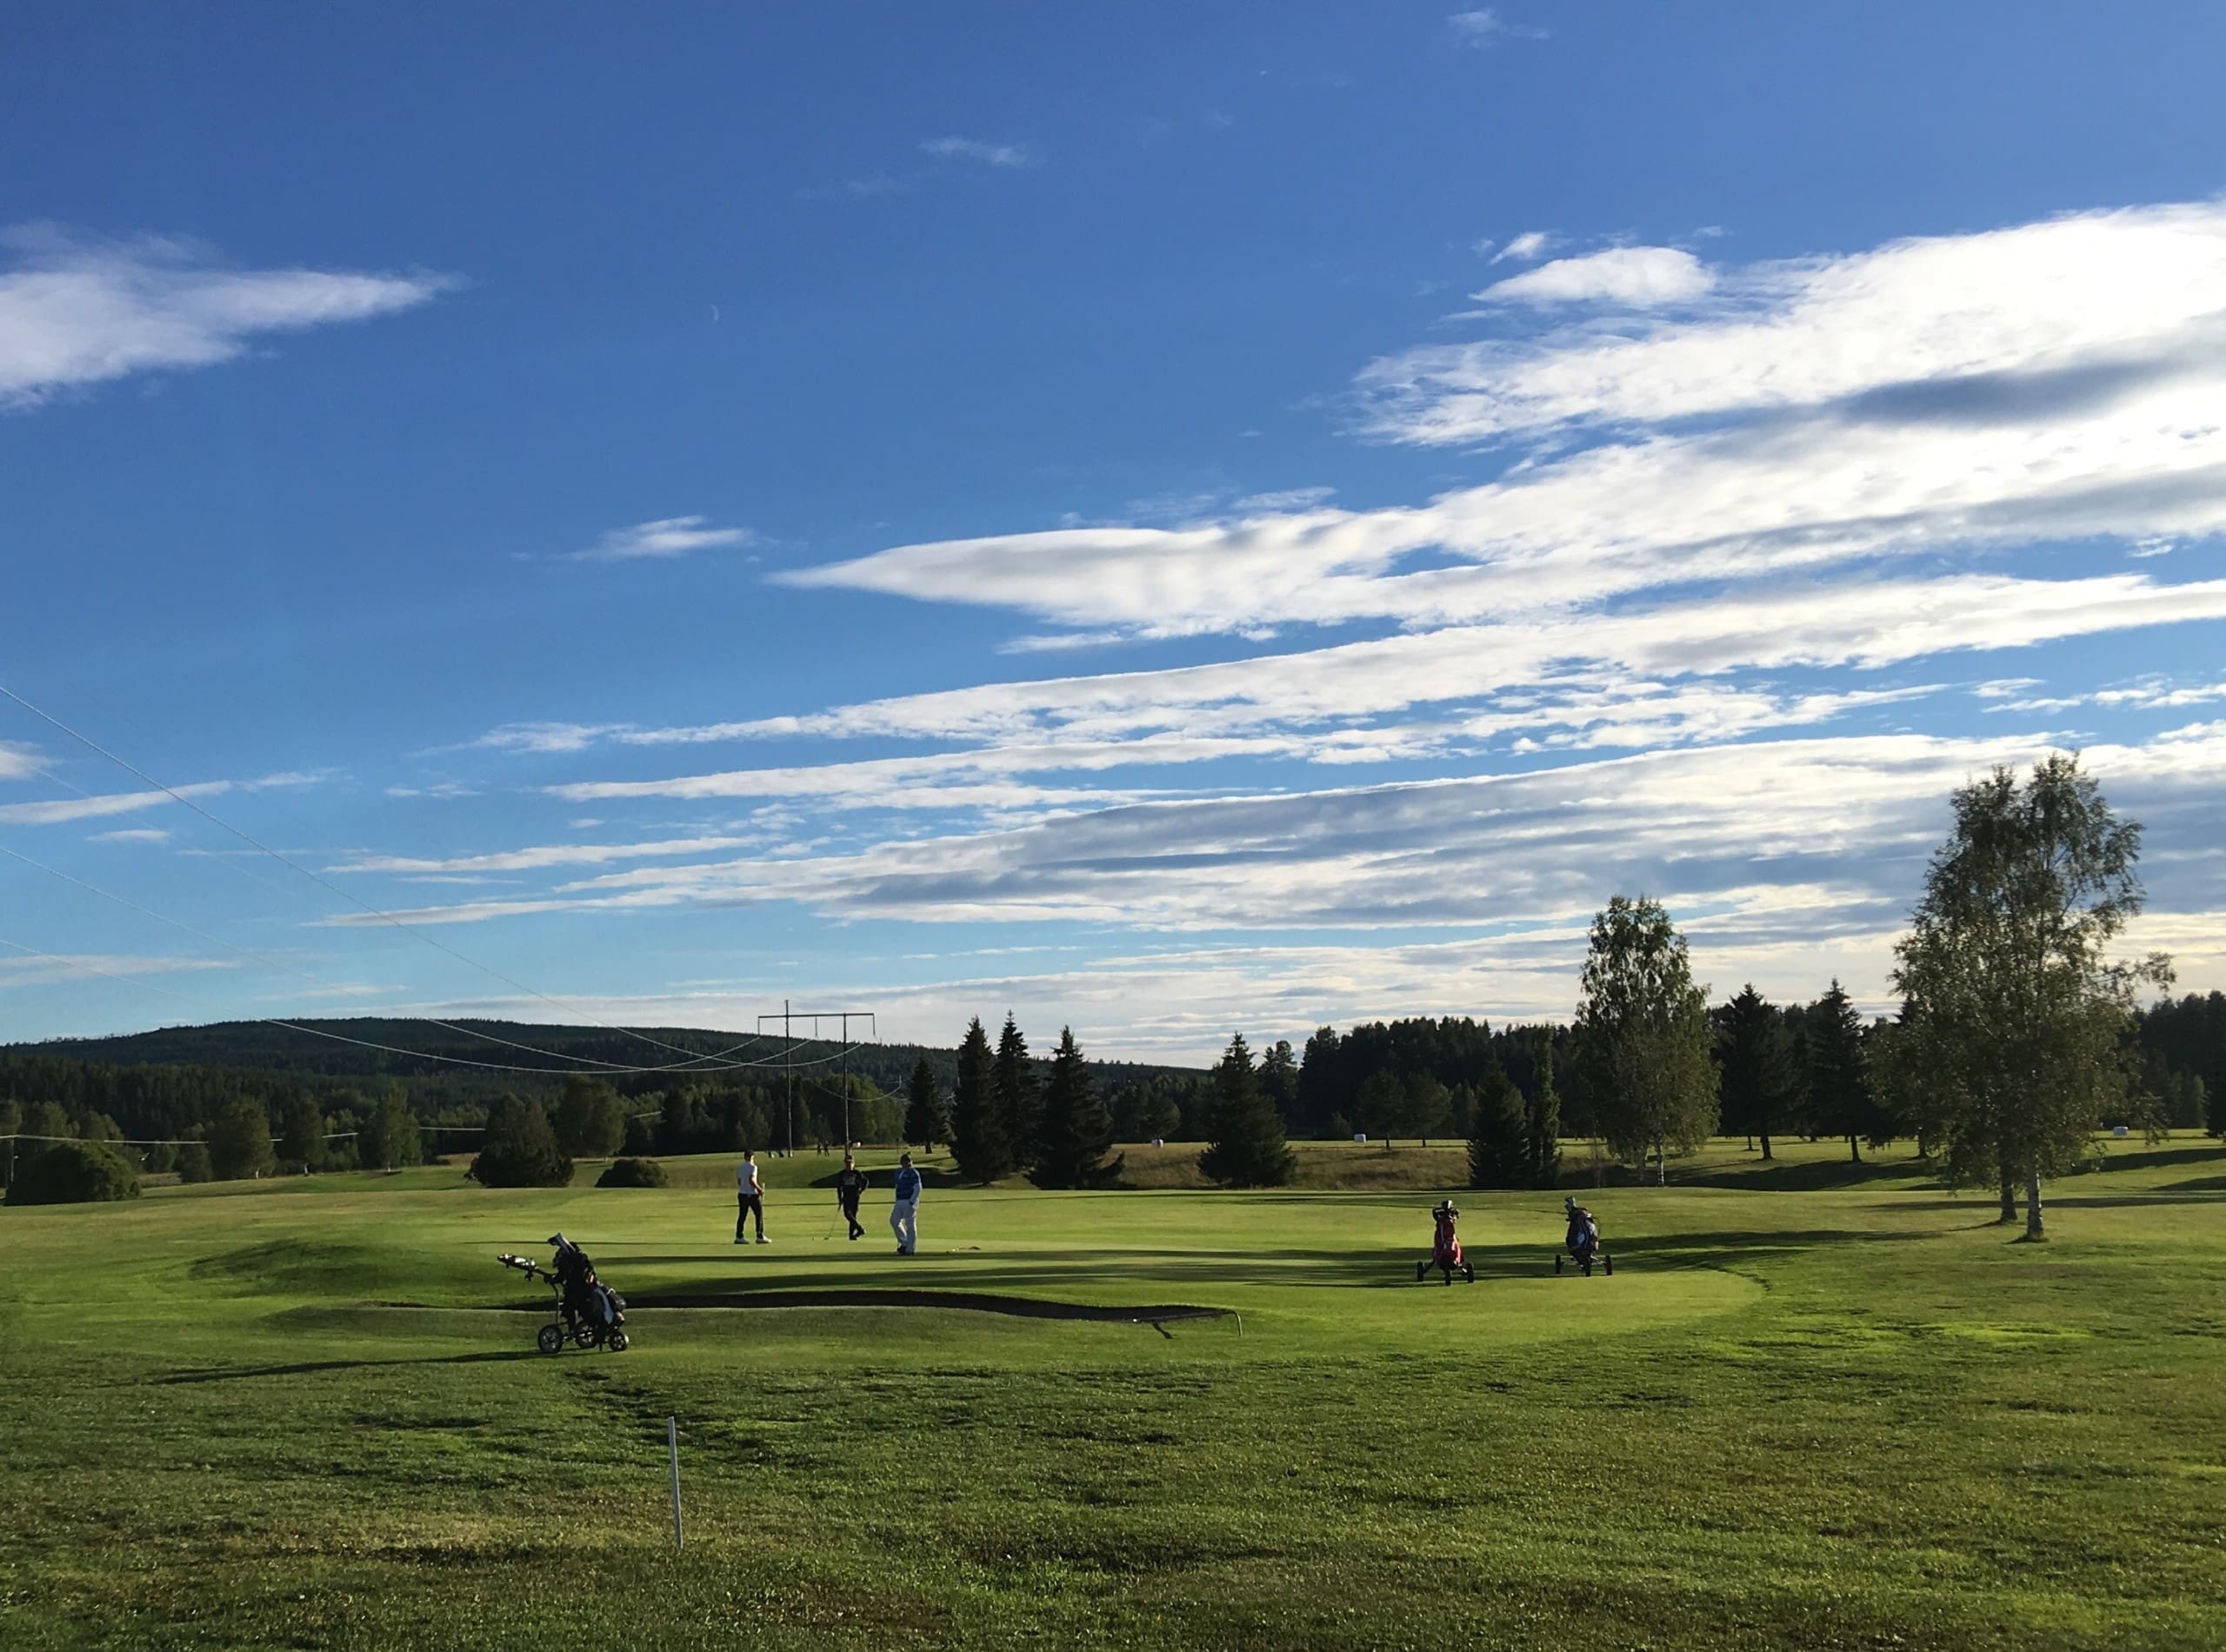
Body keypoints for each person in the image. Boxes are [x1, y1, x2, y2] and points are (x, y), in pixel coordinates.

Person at [890, 1151, 922, 1256]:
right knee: (894, 1221)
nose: (908, 1163)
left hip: (909, 1200)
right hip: (900, 1200)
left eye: (909, 1161)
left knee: (910, 1224)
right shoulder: (898, 1172)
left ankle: (910, 1249)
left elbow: (918, 1188)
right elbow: (897, 1187)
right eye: (905, 1161)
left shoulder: (914, 1173)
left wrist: (912, 1201)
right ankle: (905, 1243)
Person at [834, 1151, 869, 1242]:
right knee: (847, 1214)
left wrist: (861, 1190)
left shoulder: (857, 1173)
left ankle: (851, 1235)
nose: (849, 1165)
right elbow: (839, 1187)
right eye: (847, 1163)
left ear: (853, 1163)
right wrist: (840, 1198)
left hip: (855, 1196)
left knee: (853, 1215)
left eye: (850, 1163)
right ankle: (859, 1229)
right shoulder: (842, 1174)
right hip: (846, 1196)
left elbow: (865, 1181)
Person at [736, 1149, 768, 1245]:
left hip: (742, 1194)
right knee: (759, 1214)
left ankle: (739, 1236)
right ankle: (759, 1236)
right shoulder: (753, 1167)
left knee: (742, 1215)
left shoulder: (741, 1168)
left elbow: (739, 1181)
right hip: (752, 1195)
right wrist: (759, 1189)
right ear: (752, 1157)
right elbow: (751, 1180)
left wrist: (744, 1187)